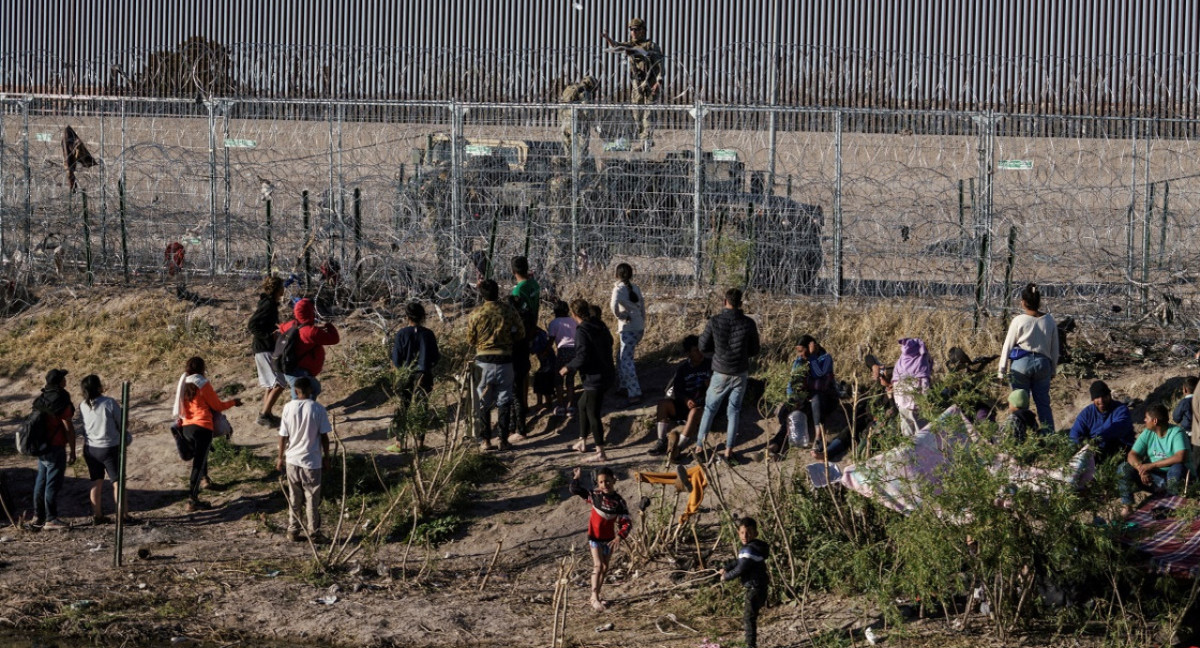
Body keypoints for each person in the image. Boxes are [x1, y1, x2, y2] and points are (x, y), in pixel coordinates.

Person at [695, 288, 760, 463]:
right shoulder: (748, 323)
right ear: (741, 303)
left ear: (725, 301)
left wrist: (717, 352)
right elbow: (755, 349)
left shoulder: (714, 321)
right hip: (739, 372)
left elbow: (702, 346)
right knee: (734, 411)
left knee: (709, 409)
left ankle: (699, 447)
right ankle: (729, 451)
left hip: (720, 371)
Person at [173, 356, 243, 512]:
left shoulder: (183, 384)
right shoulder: (202, 384)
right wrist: (233, 402)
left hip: (186, 427)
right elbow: (217, 405)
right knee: (198, 462)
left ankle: (205, 481)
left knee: (200, 457)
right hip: (202, 426)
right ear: (202, 368)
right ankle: (192, 499)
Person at [468, 279, 525, 452]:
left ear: (481, 294)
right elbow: (520, 333)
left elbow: (470, 339)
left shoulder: (476, 313)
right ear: (497, 291)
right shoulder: (508, 310)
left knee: (484, 403)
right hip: (504, 360)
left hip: (483, 361)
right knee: (504, 401)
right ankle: (503, 439)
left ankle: (485, 440)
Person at [276, 377, 332, 542]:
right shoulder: (317, 409)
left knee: (295, 496)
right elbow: (324, 437)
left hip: (292, 460)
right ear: (310, 390)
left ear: (295, 391)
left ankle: (293, 530)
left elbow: (282, 436)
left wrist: (280, 457)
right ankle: (314, 532)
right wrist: (327, 457)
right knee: (311, 498)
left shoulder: (287, 408)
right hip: (311, 461)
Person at [569, 466, 632, 612]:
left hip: (609, 539)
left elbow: (626, 522)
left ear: (613, 480)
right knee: (597, 566)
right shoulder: (595, 495)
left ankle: (596, 595)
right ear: (598, 483)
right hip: (595, 538)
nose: (605, 485)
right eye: (601, 482)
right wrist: (576, 477)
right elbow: (574, 489)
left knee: (604, 567)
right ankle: (594, 598)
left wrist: (619, 537)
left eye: (607, 481)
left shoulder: (619, 502)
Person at [998, 283, 1060, 431]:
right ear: (1039, 302)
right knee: (1043, 403)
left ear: (1023, 302)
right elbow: (1055, 348)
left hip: (1021, 364)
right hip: (1043, 364)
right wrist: (1053, 369)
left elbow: (1007, 345)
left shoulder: (1019, 320)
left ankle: (1019, 433)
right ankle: (1048, 436)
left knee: (1019, 403)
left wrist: (1001, 370)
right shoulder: (1049, 320)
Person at [767, 335, 838, 460]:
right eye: (798, 352)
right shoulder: (799, 361)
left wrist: (812, 357)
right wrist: (792, 398)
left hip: (825, 399)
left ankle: (818, 438)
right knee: (791, 413)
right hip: (806, 400)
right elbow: (792, 383)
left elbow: (819, 374)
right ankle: (777, 443)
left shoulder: (825, 358)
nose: (799, 354)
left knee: (816, 398)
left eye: (801, 351)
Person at [562, 298, 615, 462]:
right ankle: (582, 441)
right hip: (606, 373)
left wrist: (568, 367)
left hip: (594, 377)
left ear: (574, 314)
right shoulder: (599, 325)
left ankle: (601, 451)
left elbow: (582, 355)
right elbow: (611, 341)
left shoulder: (582, 330)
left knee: (593, 413)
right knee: (582, 404)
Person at [79, 375, 134, 525]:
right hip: (109, 448)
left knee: (96, 482)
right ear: (98, 387)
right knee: (117, 482)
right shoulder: (109, 403)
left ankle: (97, 515)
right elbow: (123, 423)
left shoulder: (82, 405)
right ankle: (123, 516)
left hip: (90, 448)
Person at [602, 18, 664, 147]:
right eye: (631, 30)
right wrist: (607, 38)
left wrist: (658, 82)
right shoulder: (630, 46)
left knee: (648, 115)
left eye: (636, 29)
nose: (634, 32)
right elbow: (616, 46)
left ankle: (645, 142)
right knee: (637, 115)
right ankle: (644, 140)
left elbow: (660, 66)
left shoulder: (651, 46)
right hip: (637, 85)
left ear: (643, 31)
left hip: (651, 84)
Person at [1117, 404, 1188, 516]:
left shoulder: (1177, 432)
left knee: (1177, 467)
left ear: (1154, 421)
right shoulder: (1148, 433)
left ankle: (1171, 503)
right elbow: (1132, 454)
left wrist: (1152, 465)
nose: (1144, 420)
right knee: (1123, 468)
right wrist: (1141, 468)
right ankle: (1127, 506)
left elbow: (1180, 456)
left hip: (1173, 478)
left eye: (1147, 418)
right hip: (1153, 478)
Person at [389, 301, 441, 452]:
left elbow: (396, 359)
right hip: (423, 375)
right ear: (423, 316)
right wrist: (427, 366)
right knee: (422, 408)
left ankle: (399, 443)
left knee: (403, 407)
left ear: (407, 317)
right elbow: (435, 357)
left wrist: (401, 370)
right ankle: (419, 444)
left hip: (406, 374)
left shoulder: (401, 334)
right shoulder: (428, 334)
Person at [651, 335, 711, 458]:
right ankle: (662, 441)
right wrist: (686, 399)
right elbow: (677, 390)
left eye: (701, 349)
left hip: (702, 407)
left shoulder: (710, 365)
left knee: (694, 412)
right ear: (688, 353)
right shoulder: (683, 369)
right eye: (696, 350)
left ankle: (678, 448)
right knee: (663, 404)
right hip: (684, 405)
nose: (700, 353)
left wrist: (710, 385)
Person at [31, 369, 76, 530]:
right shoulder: (61, 398)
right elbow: (68, 425)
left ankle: (38, 516)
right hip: (56, 446)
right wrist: (73, 450)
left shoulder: (42, 398)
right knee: (52, 484)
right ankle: (51, 519)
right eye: (64, 378)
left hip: (41, 446)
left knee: (41, 481)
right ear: (59, 382)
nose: (66, 380)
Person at [719, 517, 770, 648]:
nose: (745, 536)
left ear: (755, 533)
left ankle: (751, 645)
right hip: (760, 587)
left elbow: (741, 568)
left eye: (748, 532)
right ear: (738, 533)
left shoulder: (749, 550)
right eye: (742, 532)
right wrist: (727, 567)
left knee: (749, 618)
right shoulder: (754, 547)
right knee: (751, 617)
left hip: (755, 588)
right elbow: (739, 561)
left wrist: (726, 577)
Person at [278, 298, 341, 400]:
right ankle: (303, 414)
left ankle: (303, 412)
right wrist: (329, 325)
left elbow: (281, 327)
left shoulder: (292, 325)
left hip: (289, 368)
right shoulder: (310, 332)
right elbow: (334, 339)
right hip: (299, 371)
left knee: (314, 388)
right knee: (303, 397)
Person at [509, 256, 541, 440]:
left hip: (521, 335)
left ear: (513, 272)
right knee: (524, 371)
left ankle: (519, 422)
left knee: (516, 377)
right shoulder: (534, 284)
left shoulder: (519, 290)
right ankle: (525, 405)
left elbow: (517, 314)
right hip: (532, 330)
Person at [248, 275, 286, 427]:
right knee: (280, 382)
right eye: (282, 286)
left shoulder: (270, 303)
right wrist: (268, 336)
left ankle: (267, 413)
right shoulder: (268, 304)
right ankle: (264, 414)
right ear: (277, 289)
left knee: (271, 384)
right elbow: (252, 324)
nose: (284, 289)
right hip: (264, 348)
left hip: (262, 348)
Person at [1068, 380, 1134, 460]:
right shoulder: (1087, 413)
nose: (1101, 400)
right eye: (1097, 397)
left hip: (1120, 450)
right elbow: (1075, 434)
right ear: (1093, 399)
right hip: (1093, 452)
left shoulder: (1121, 410)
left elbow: (1118, 427)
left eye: (1104, 396)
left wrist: (1097, 440)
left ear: (1109, 395)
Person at [610, 262, 646, 406]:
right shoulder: (635, 288)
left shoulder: (618, 289)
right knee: (622, 356)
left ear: (617, 275)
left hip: (628, 328)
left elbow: (613, 305)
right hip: (638, 326)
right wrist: (642, 321)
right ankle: (624, 386)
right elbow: (642, 307)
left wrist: (621, 316)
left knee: (626, 361)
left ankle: (634, 392)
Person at [889, 337, 933, 435]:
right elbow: (924, 381)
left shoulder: (900, 363)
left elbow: (895, 382)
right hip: (916, 402)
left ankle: (910, 449)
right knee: (921, 430)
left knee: (907, 429)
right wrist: (925, 400)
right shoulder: (920, 361)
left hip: (901, 401)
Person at [547, 300, 578, 415]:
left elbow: (551, 340)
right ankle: (570, 406)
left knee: (559, 378)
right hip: (574, 351)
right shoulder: (573, 321)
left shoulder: (554, 323)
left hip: (562, 351)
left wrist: (544, 351)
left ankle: (560, 405)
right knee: (570, 378)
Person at [559, 75, 598, 156]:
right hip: (578, 126)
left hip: (565, 124)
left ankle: (569, 167)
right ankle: (577, 168)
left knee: (568, 152)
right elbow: (586, 111)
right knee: (579, 153)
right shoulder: (584, 92)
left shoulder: (570, 88)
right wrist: (595, 124)